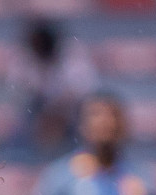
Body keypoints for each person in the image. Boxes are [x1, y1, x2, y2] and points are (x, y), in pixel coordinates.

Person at [5, 20, 96, 161]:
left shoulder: (72, 56)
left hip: (69, 115)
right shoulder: (24, 58)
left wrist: (56, 111)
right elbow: (16, 92)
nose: (39, 50)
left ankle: (73, 153)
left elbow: (82, 91)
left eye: (42, 46)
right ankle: (23, 158)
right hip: (36, 113)